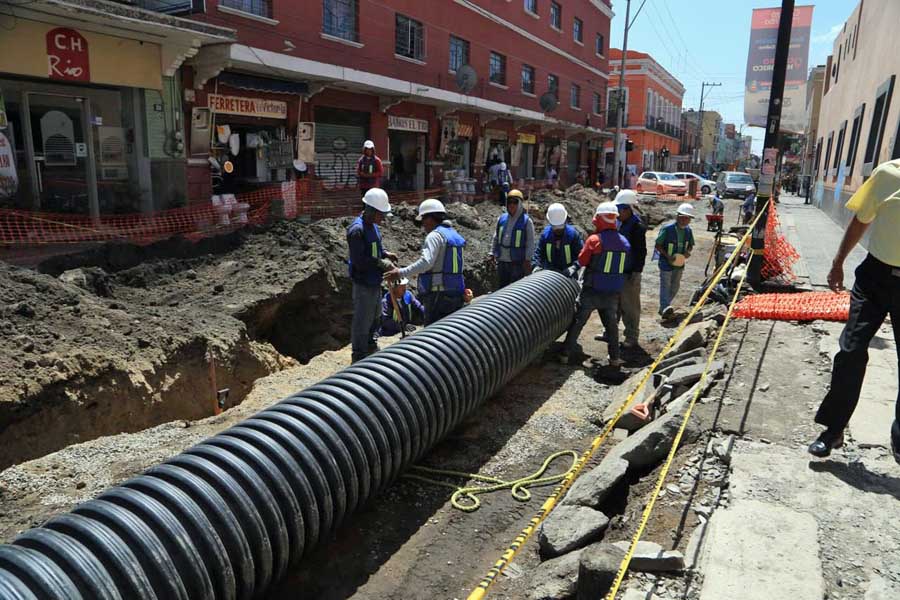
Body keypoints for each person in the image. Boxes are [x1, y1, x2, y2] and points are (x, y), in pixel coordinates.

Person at [808, 158, 900, 463]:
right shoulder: (887, 173)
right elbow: (862, 220)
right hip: (875, 277)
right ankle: (833, 430)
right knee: (850, 349)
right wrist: (837, 263)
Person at [560, 202, 631, 368]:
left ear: (600, 219)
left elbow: (583, 260)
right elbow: (625, 266)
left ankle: (564, 354)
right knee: (612, 327)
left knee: (578, 323)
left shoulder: (594, 241)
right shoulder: (625, 243)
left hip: (591, 291)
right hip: (612, 293)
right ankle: (614, 358)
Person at [384, 199, 466, 325]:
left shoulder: (434, 236)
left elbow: (426, 263)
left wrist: (400, 273)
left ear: (430, 218)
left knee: (435, 336)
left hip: (438, 295)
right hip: (455, 293)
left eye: (423, 219)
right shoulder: (454, 235)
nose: (423, 224)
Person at [346, 188, 396, 363]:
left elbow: (375, 249)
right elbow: (360, 260)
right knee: (363, 319)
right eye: (380, 214)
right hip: (363, 283)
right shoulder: (356, 230)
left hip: (374, 281)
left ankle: (370, 345)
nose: (382, 219)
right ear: (371, 210)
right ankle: (359, 354)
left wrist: (385, 254)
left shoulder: (373, 226)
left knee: (376, 316)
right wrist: (380, 263)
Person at [615, 190, 647, 348]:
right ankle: (610, 332)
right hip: (617, 271)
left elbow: (641, 252)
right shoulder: (619, 223)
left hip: (629, 273)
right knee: (614, 304)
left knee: (630, 306)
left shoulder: (637, 227)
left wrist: (636, 272)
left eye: (619, 210)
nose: (617, 213)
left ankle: (631, 335)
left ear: (627, 209)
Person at [655, 203, 695, 319]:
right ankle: (665, 307)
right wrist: (667, 256)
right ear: (677, 216)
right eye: (682, 217)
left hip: (679, 263)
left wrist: (688, 252)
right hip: (666, 262)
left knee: (675, 286)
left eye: (687, 218)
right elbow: (658, 245)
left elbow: (690, 245)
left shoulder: (688, 231)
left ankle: (665, 306)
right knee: (665, 285)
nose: (684, 220)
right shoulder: (667, 229)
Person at [491, 189, 536, 288]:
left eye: (515, 202)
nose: (512, 205)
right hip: (502, 261)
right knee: (502, 288)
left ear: (520, 204)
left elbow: (530, 243)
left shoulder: (526, 222)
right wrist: (492, 253)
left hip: (517, 262)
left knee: (515, 290)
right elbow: (496, 237)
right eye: (509, 202)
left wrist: (527, 260)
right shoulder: (501, 219)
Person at [533, 202, 583, 274]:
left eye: (560, 228)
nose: (558, 230)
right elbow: (538, 253)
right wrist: (536, 266)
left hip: (569, 273)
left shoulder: (572, 235)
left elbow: (581, 254)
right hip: (550, 273)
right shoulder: (546, 235)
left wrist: (574, 267)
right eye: (555, 228)